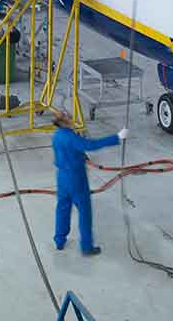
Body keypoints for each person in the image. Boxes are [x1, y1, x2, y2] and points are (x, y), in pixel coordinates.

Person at [51, 110, 128, 256]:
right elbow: (91, 144)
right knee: (85, 212)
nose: (72, 119)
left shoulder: (56, 136)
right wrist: (117, 137)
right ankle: (86, 247)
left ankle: (59, 241)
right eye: (70, 117)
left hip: (61, 178)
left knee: (62, 208)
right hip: (76, 179)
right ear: (65, 121)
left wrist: (80, 155)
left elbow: (66, 151)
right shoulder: (72, 138)